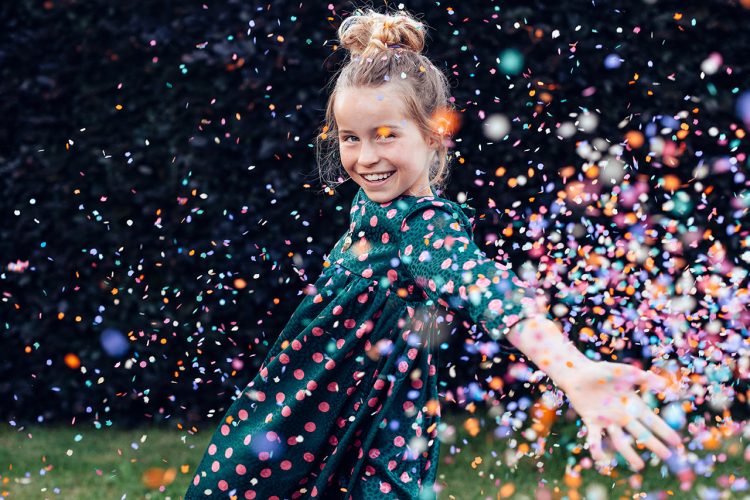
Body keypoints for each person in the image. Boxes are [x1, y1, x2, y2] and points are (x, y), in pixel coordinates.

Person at [185, 8, 685, 499]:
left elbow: (483, 286)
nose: (365, 158)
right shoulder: (376, 205)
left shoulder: (422, 225)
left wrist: (568, 367)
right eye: (350, 138)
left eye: (386, 136)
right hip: (307, 408)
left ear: (433, 135)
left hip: (370, 425)